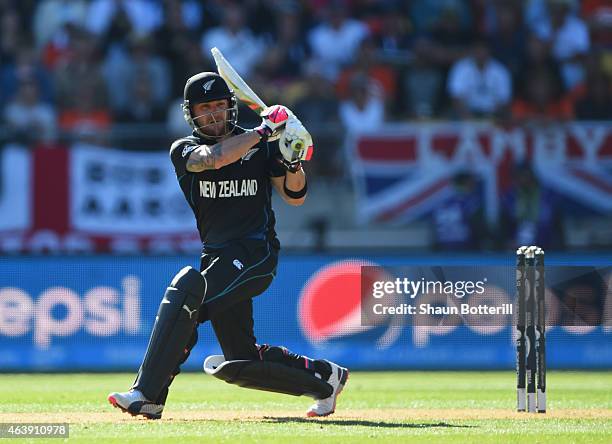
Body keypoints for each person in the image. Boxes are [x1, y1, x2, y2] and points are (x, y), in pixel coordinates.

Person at [107, 72, 348, 419]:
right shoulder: (185, 150)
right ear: (191, 114)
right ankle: (324, 378)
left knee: (187, 290)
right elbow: (214, 158)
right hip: (219, 257)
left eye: (220, 106)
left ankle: (148, 393)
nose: (215, 115)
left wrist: (292, 157)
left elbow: (295, 195)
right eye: (206, 108)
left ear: (231, 107)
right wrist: (263, 132)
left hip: (256, 253)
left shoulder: (261, 147)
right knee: (239, 362)